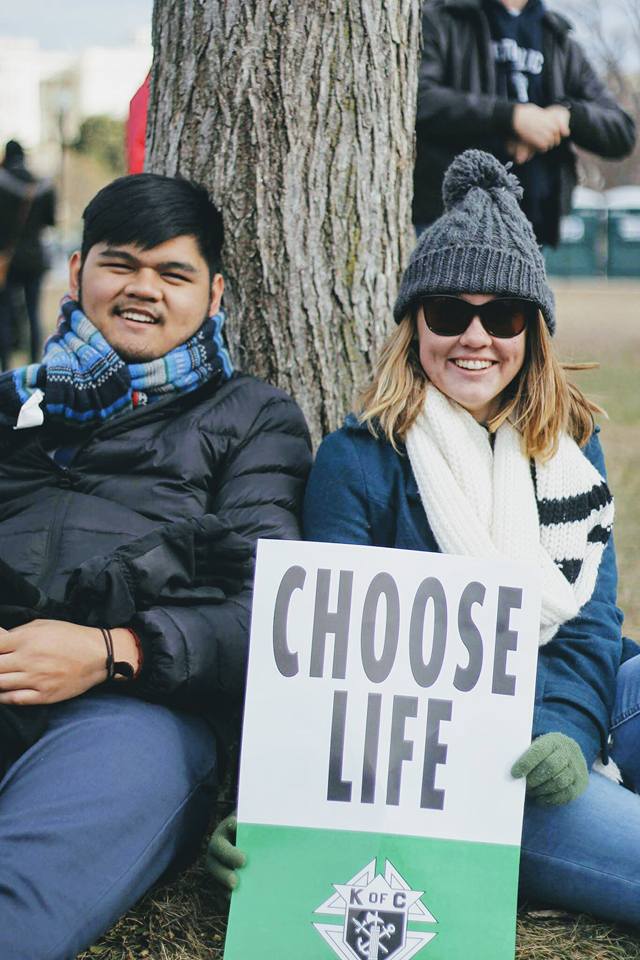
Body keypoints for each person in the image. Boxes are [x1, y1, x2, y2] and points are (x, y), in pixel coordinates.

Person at [209, 149, 640, 929]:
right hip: (469, 768)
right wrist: (275, 809)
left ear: (532, 331)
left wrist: (571, 729)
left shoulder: (573, 447)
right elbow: (320, 669)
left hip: (583, 704)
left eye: (502, 315)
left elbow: (592, 625)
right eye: (448, 313)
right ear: (415, 325)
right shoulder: (360, 460)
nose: (474, 337)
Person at [0, 172, 312, 959]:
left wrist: (114, 653)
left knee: (23, 900)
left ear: (213, 296)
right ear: (78, 273)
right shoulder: (13, 405)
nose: (143, 289)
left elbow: (272, 612)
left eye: (173, 273)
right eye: (121, 264)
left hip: (133, 708)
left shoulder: (252, 418)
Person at [414, 0, 636, 245]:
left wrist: (566, 116)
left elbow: (621, 131)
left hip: (530, 233)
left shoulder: (558, 38)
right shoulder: (444, 18)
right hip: (448, 226)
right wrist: (510, 117)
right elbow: (420, 99)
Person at [0, 139, 56, 369]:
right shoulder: (42, 185)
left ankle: (5, 364)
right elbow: (50, 221)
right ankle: (35, 363)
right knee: (34, 312)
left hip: (6, 258)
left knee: (3, 313)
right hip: (35, 257)